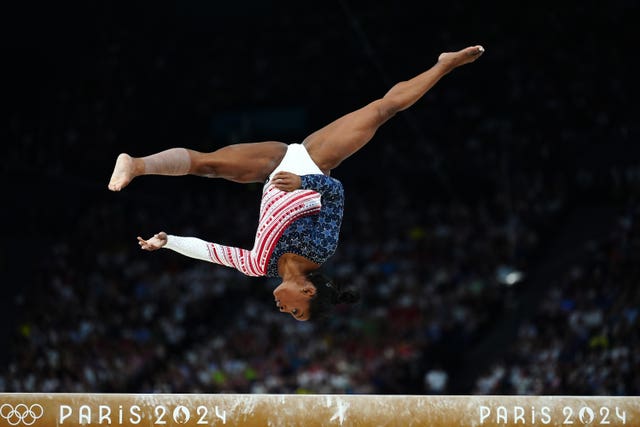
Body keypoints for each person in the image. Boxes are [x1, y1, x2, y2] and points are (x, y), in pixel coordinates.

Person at [108, 45, 485, 321]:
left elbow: (212, 252)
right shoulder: (320, 250)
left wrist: (168, 242)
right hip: (314, 161)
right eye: (297, 312)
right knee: (382, 110)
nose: (285, 311)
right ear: (308, 291)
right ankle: (444, 66)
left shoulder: (259, 265)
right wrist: (303, 179)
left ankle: (137, 165)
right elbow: (335, 193)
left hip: (270, 167)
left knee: (207, 165)